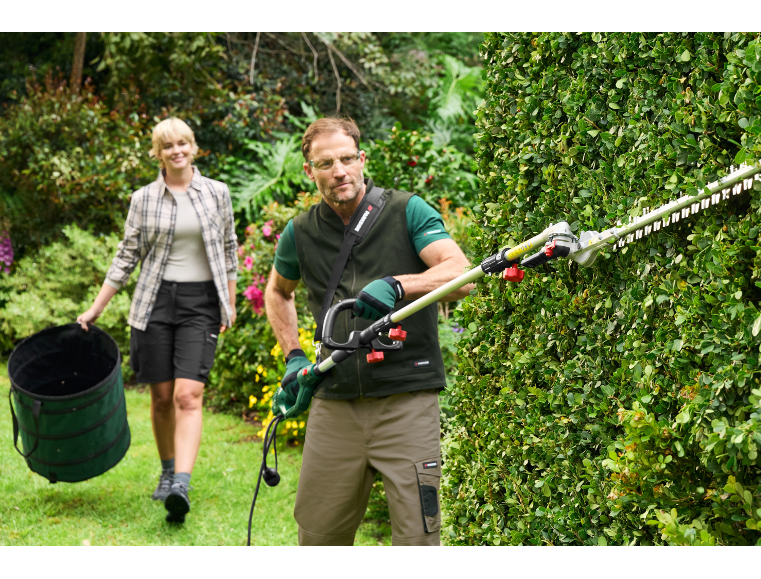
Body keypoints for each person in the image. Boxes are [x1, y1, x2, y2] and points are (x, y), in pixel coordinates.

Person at [265, 117, 472, 546]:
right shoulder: (300, 233)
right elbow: (276, 292)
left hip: (406, 399)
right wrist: (294, 356)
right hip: (334, 401)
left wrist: (400, 284)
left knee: (418, 539)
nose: (338, 171)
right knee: (319, 539)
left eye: (345, 159)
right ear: (310, 171)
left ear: (361, 159)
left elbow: (462, 274)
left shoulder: (406, 210)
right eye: (325, 164)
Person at [76, 118, 238, 524]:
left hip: (202, 303)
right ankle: (167, 471)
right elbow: (126, 256)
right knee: (162, 397)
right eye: (168, 146)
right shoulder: (143, 198)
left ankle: (181, 484)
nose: (177, 151)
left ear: (194, 147)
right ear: (158, 153)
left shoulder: (217, 193)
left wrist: (229, 302)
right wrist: (96, 308)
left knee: (188, 395)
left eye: (183, 143)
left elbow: (229, 248)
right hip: (155, 303)